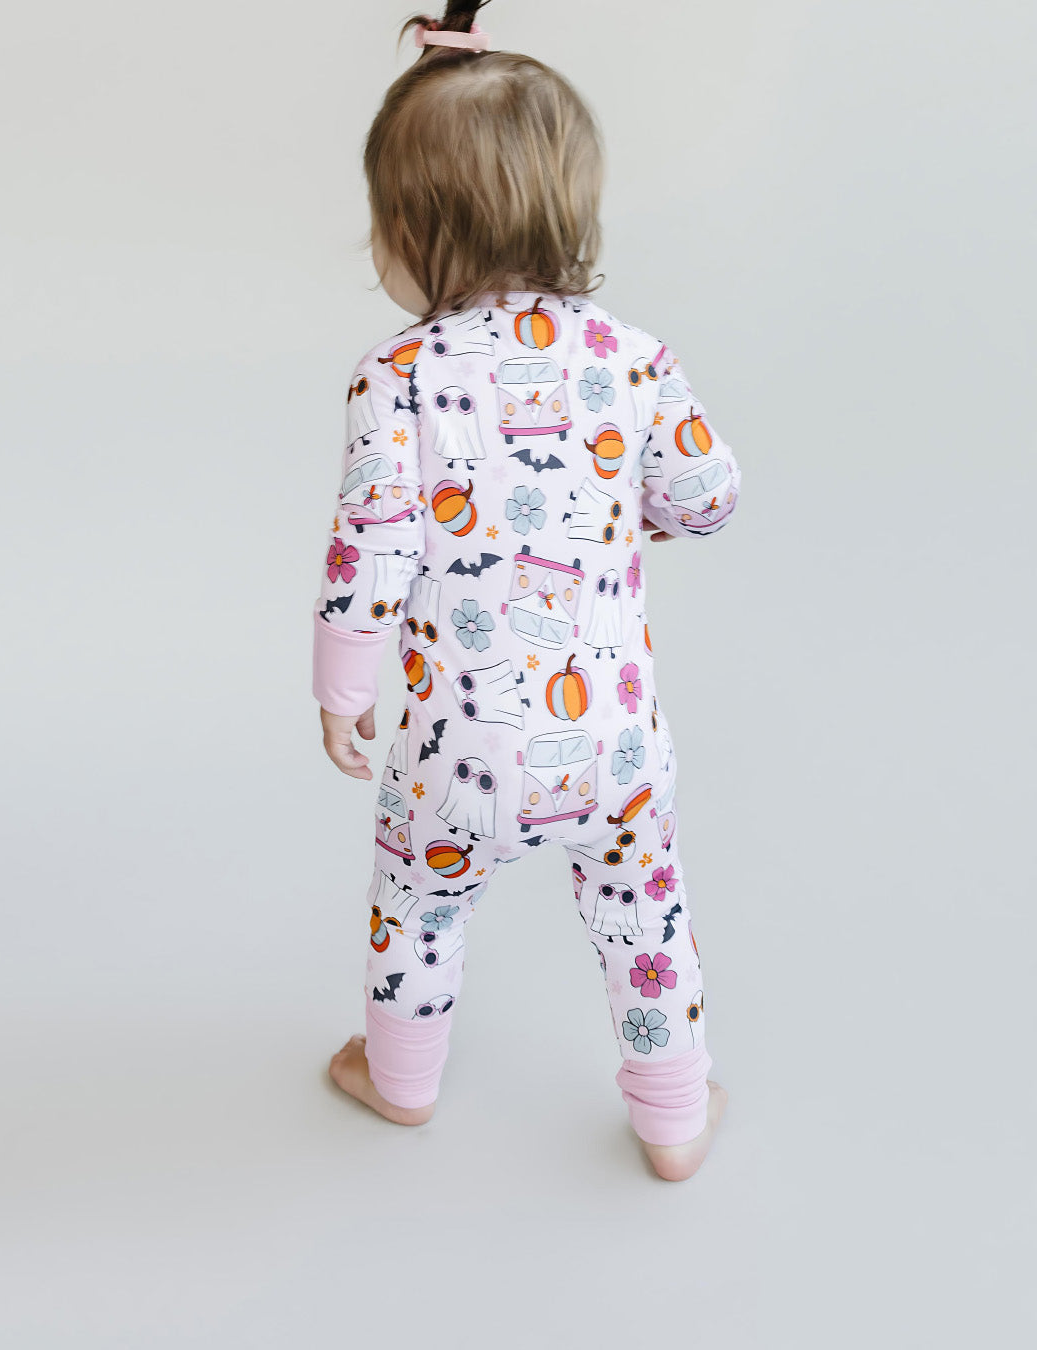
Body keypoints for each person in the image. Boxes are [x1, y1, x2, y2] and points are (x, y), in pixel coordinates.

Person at [314, 1, 740, 1181]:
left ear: (409, 227)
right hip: (611, 749)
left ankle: (398, 1081)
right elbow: (710, 493)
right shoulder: (635, 358)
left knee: (417, 907)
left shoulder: (396, 373)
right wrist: (629, 515)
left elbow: (372, 541)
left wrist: (343, 686)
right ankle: (674, 1117)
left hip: (456, 752)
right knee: (643, 918)